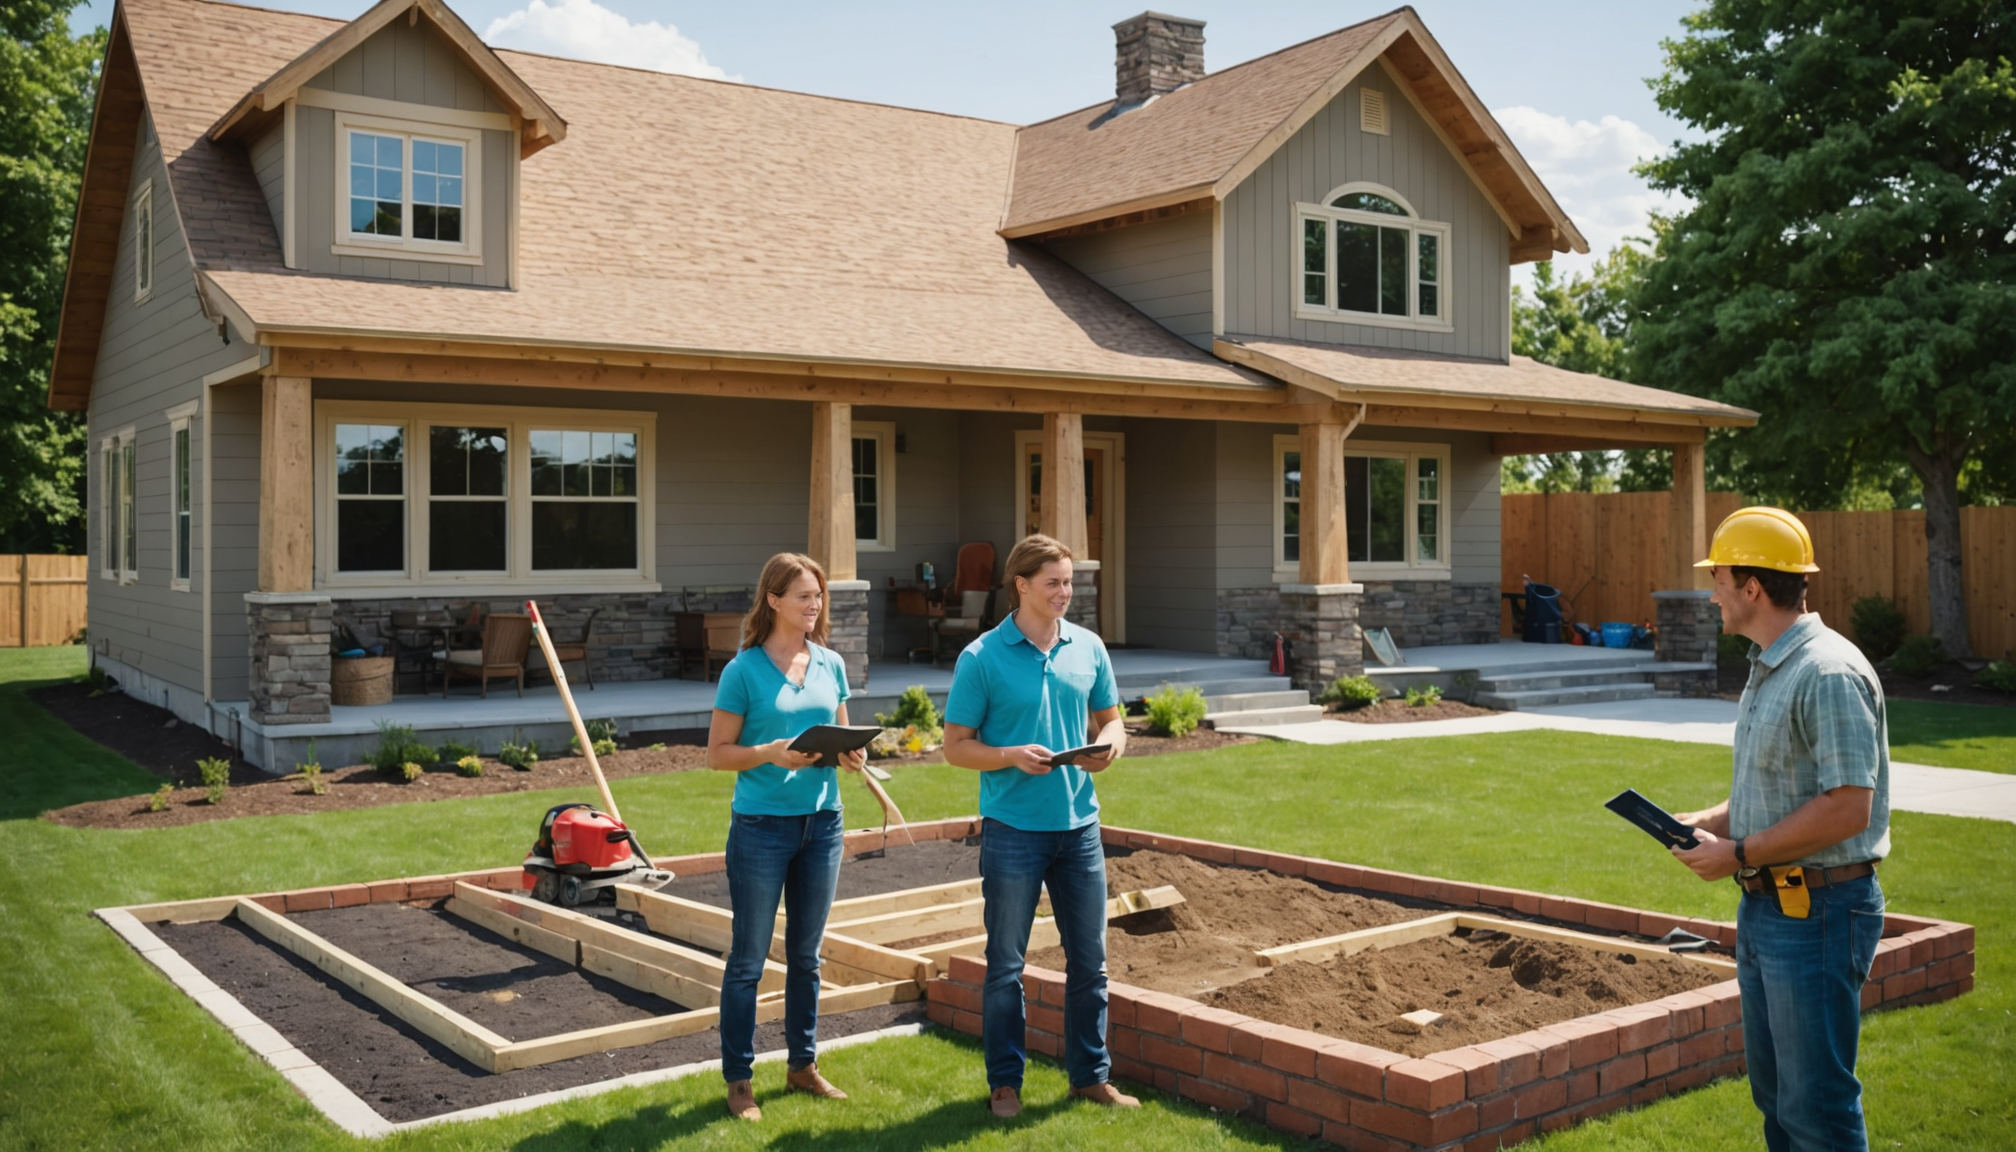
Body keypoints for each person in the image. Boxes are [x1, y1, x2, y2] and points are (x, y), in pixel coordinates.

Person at [1669, 506, 1891, 1152]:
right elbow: (1774, 792)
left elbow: (1848, 807)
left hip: (1819, 913)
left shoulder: (1827, 673)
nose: (1710, 593)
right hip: (1769, 909)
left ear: (1752, 589)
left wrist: (1736, 852)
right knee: (1778, 1104)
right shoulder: (1770, 666)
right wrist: (1705, 824)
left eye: (1718, 579)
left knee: (1816, 1109)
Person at [941, 533, 1136, 1119]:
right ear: (1020, 585)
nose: (1064, 592)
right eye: (1052, 582)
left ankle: (1090, 1078)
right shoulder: (981, 657)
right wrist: (1008, 755)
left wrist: (1109, 746)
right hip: (1014, 830)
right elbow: (955, 747)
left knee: (1090, 962)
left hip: (1079, 827)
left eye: (1069, 582)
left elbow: (1113, 721)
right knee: (1005, 965)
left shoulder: (1089, 647)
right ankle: (1005, 1084)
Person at [706, 552, 867, 1121]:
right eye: (804, 596)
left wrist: (853, 754)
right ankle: (739, 1081)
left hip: (823, 823)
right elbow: (717, 755)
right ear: (773, 600)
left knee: (807, 955)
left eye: (818, 596)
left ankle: (802, 1066)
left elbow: (843, 732)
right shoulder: (743, 670)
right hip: (761, 828)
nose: (814, 605)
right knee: (748, 959)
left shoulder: (829, 662)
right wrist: (771, 754)